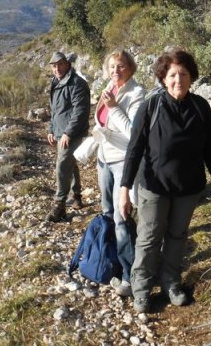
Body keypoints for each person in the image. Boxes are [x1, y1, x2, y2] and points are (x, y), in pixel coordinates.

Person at [119, 49, 211, 313]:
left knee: (177, 236)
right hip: (154, 186)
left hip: (188, 187)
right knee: (149, 237)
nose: (178, 80)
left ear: (191, 77)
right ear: (163, 78)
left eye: (184, 74)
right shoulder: (151, 106)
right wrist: (124, 188)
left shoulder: (200, 107)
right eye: (172, 75)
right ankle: (141, 289)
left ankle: (171, 282)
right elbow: (134, 149)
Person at [94, 50, 145, 297]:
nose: (116, 71)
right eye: (112, 66)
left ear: (131, 68)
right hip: (103, 159)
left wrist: (113, 107)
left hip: (123, 161)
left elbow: (133, 132)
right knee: (108, 212)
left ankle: (130, 276)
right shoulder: (109, 87)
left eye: (121, 66)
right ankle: (113, 261)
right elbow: (101, 121)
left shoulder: (137, 93)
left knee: (121, 217)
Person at [46, 52, 91, 222]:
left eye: (60, 64)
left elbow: (81, 111)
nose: (57, 68)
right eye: (54, 66)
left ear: (67, 64)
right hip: (60, 131)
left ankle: (60, 205)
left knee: (63, 164)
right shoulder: (56, 82)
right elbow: (55, 110)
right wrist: (51, 129)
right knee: (70, 162)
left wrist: (68, 133)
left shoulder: (77, 83)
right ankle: (76, 195)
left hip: (73, 132)